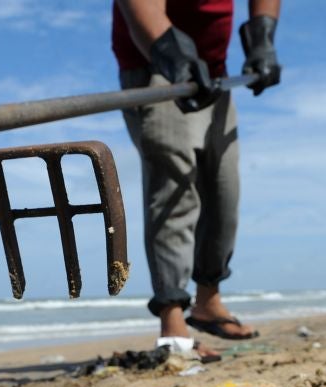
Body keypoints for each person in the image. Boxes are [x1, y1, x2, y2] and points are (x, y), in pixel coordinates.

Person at [112, 0, 281, 360]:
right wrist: (170, 51)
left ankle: (208, 301)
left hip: (214, 75)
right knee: (174, 189)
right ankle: (173, 322)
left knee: (224, 192)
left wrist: (262, 35)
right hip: (154, 63)